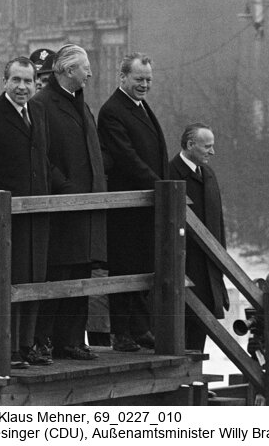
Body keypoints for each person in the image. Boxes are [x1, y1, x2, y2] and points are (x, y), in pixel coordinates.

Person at [31, 44, 106, 361]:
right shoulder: (43, 105)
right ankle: (44, 339)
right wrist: (66, 188)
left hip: (85, 208)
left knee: (80, 275)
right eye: (85, 67)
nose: (90, 73)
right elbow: (41, 156)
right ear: (66, 70)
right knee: (57, 275)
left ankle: (72, 339)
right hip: (61, 209)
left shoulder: (81, 105)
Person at [0, 56, 61, 367]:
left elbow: (43, 158)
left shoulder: (39, 112)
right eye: (16, 80)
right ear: (5, 82)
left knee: (35, 277)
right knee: (11, 278)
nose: (22, 87)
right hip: (8, 213)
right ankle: (11, 348)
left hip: (37, 210)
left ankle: (27, 344)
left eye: (28, 81)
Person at [98, 52, 168, 352]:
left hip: (145, 205)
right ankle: (122, 332)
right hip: (126, 207)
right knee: (125, 268)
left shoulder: (141, 107)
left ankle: (140, 328)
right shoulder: (113, 110)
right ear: (123, 77)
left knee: (143, 264)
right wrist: (158, 184)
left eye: (148, 80)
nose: (144, 85)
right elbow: (127, 157)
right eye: (139, 79)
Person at [168, 123, 229, 352]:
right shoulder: (170, 173)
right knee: (180, 330)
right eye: (208, 146)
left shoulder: (209, 174)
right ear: (190, 144)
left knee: (200, 332)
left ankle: (193, 382)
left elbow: (218, 223)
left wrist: (221, 263)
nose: (212, 152)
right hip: (183, 267)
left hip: (208, 269)